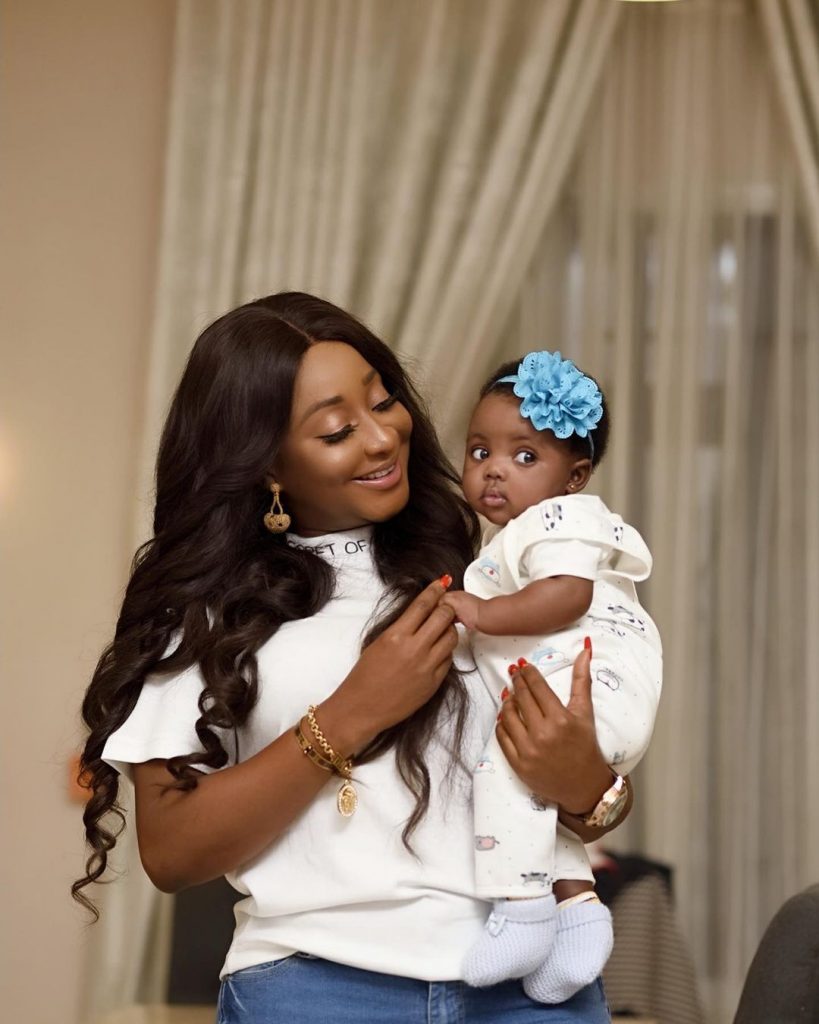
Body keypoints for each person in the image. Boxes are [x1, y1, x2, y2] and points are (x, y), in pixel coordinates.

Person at [73, 293, 632, 1024]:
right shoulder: (207, 607)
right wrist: (351, 714)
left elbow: (567, 804)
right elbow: (172, 852)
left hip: (530, 987)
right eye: (338, 430)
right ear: (266, 462)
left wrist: (590, 785)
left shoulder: (491, 566)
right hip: (316, 989)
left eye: (383, 400)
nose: (381, 438)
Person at [441, 351, 662, 1003]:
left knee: (501, 769)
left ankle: (522, 909)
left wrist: (479, 613)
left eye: (524, 456)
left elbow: (566, 596)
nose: (494, 469)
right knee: (534, 801)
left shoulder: (560, 520)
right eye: (479, 451)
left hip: (591, 693)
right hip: (583, 696)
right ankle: (577, 910)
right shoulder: (518, 533)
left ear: (574, 477)